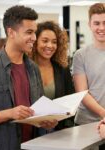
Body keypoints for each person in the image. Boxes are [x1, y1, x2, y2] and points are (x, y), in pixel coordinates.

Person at [0, 5, 57, 150]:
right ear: (11, 32)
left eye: (35, 32)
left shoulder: (33, 68)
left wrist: (46, 120)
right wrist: (10, 113)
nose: (34, 38)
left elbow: (39, 107)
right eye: (29, 32)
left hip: (33, 144)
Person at [31, 21, 75, 133]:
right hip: (30, 130)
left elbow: (70, 99)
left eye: (54, 42)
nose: (50, 46)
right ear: (35, 42)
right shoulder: (25, 68)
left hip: (57, 130)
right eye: (45, 41)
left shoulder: (62, 69)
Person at [72, 3, 105, 150]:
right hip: (86, 124)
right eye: (96, 23)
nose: (101, 28)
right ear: (90, 25)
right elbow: (82, 92)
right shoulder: (80, 55)